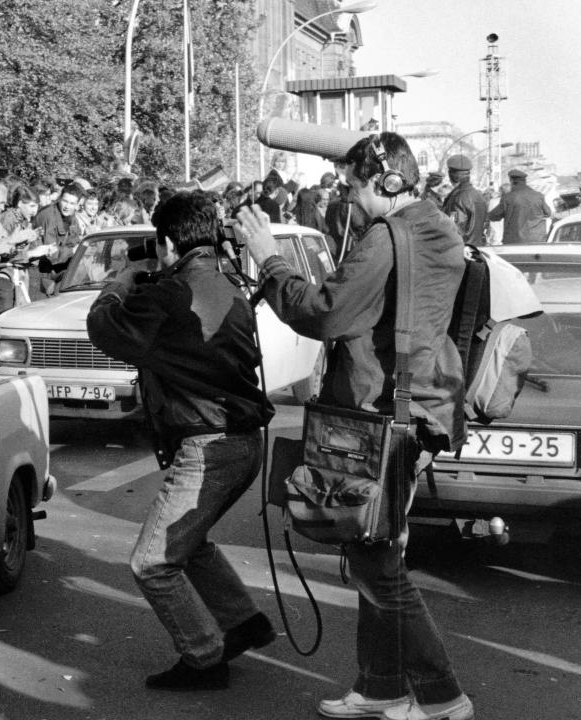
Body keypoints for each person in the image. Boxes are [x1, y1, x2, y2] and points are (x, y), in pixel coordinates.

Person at [236, 132, 473, 720]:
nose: (349, 195)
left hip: (384, 419)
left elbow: (324, 313)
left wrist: (269, 257)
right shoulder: (436, 226)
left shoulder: (388, 238)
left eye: (354, 185)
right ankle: (382, 686)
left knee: (378, 566)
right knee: (374, 550)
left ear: (386, 182)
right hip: (414, 412)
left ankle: (442, 695)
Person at [86, 190, 275, 692]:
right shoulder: (228, 282)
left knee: (152, 562)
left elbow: (103, 329)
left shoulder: (172, 294)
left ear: (167, 242)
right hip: (244, 442)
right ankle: (240, 622)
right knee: (190, 545)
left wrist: (119, 282)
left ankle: (203, 658)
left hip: (209, 447)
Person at [488, 168, 552, 244]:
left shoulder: (508, 198)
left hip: (515, 242)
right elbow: (548, 213)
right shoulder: (538, 196)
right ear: (525, 181)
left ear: (512, 181)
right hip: (537, 241)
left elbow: (494, 216)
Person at [441, 155, 490, 246]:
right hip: (478, 248)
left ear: (451, 175)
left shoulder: (457, 198)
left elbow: (453, 228)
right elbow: (485, 224)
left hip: (462, 251)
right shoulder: (478, 195)